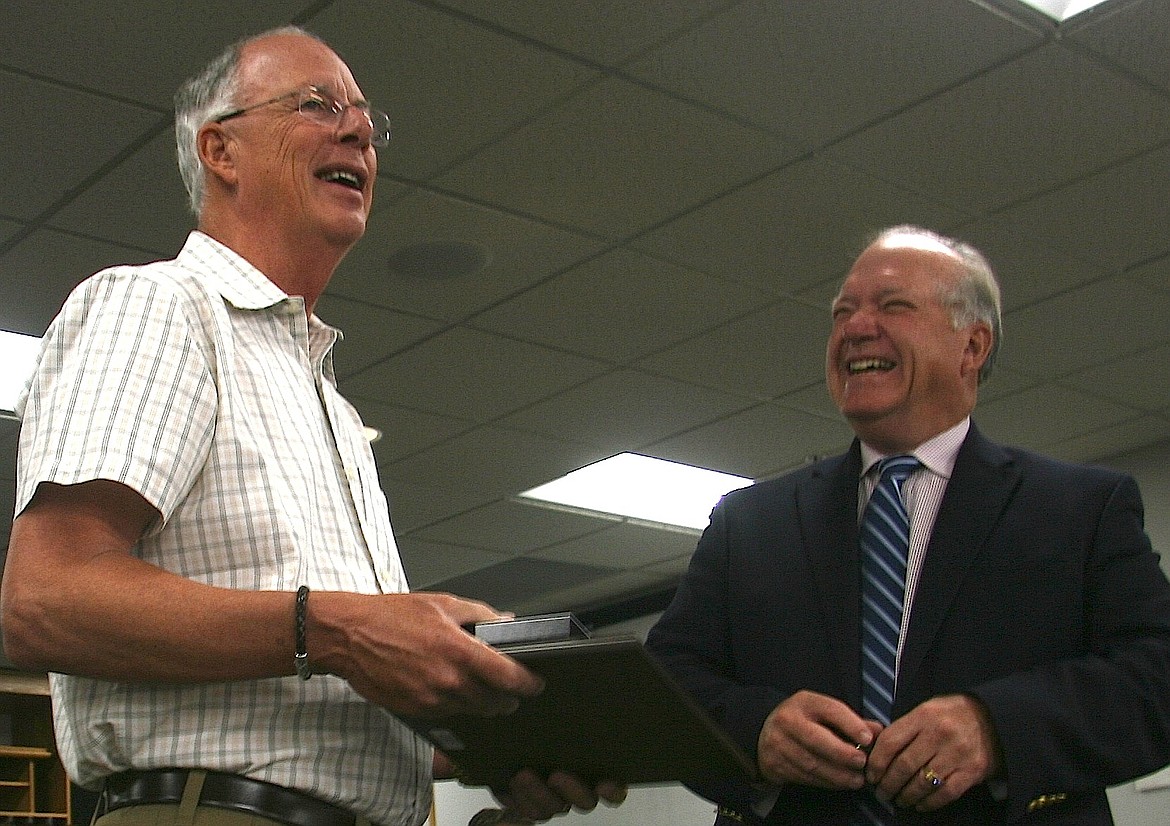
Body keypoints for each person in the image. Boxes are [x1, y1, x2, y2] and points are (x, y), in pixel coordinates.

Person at [1, 26, 622, 826]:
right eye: (318, 105)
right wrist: (341, 629)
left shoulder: (332, 409)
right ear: (221, 150)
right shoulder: (160, 307)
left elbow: (324, 696)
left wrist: (486, 736)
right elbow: (44, 600)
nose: (359, 131)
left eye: (367, 117)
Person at [645, 225, 1170, 824]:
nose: (855, 327)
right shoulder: (746, 523)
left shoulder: (1080, 508)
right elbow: (666, 686)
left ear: (971, 347)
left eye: (892, 306)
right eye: (843, 311)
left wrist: (996, 726)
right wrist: (756, 730)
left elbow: (1157, 674)